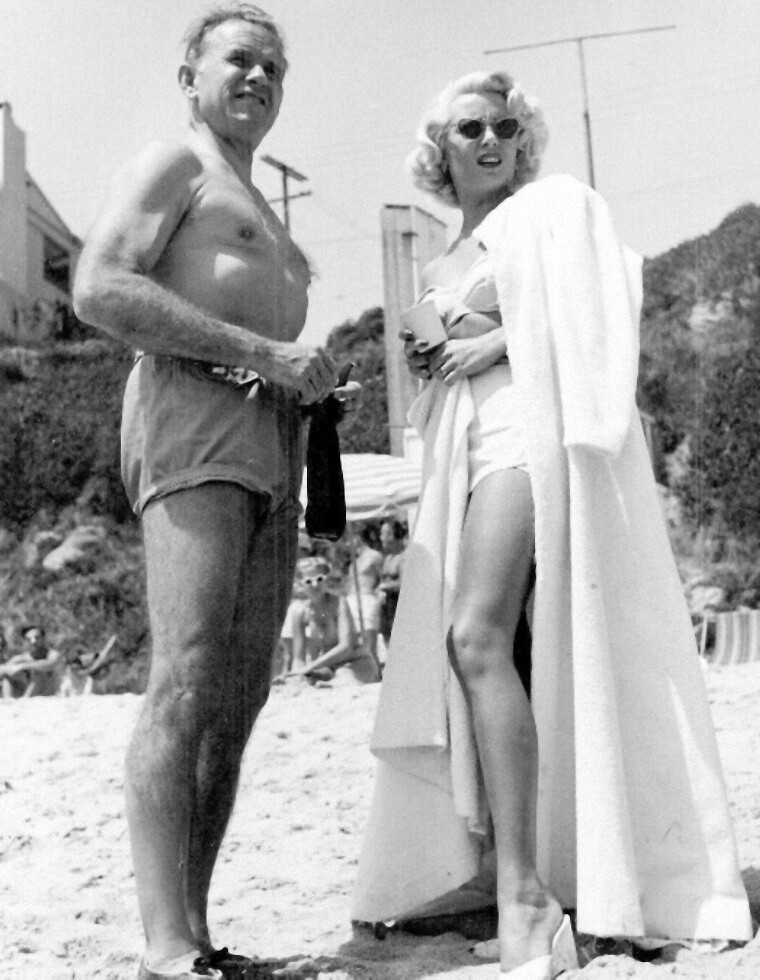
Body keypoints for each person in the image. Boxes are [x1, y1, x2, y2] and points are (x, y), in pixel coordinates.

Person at [351, 71, 752, 978]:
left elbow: (610, 300)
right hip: (463, 450)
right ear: (439, 149)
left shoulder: (553, 206)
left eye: (504, 125)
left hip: (526, 436)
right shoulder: (441, 263)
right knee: (511, 654)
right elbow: (441, 374)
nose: (492, 140)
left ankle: (526, 898)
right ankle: (523, 873)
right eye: (470, 129)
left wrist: (494, 340)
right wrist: (434, 360)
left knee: (475, 636)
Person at [72, 6, 357, 979]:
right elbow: (99, 287)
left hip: (272, 435)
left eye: (274, 66)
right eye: (240, 59)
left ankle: (194, 935)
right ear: (189, 74)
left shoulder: (258, 199)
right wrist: (262, 351)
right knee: (188, 675)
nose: (260, 77)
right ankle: (163, 945)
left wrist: (303, 379)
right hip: (193, 411)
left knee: (240, 691)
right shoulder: (175, 163)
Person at [287, 557, 378, 683]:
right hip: (326, 666)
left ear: (327, 579)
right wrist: (297, 675)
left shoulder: (339, 604)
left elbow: (346, 646)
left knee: (343, 677)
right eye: (308, 581)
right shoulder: (300, 613)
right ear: (300, 584)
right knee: (303, 681)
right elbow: (298, 658)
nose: (315, 585)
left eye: (319, 579)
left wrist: (311, 666)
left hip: (354, 661)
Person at [345, 526, 383, 664]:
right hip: (351, 599)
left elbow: (383, 578)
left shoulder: (374, 556)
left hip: (367, 599)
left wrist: (379, 596)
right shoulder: (354, 561)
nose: (347, 544)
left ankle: (376, 671)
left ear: (357, 538)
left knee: (369, 641)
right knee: (354, 641)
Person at [0, 625, 64, 698]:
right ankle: (8, 700)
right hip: (29, 698)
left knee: (38, 671)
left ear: (44, 638)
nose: (33, 641)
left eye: (37, 638)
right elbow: (3, 669)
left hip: (52, 698)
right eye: (29, 639)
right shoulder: (21, 658)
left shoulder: (53, 654)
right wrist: (9, 669)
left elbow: (50, 664)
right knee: (7, 676)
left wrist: (21, 666)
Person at [377, 517, 407, 649]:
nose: (381, 538)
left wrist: (384, 587)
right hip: (387, 608)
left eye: (384, 534)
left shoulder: (404, 557)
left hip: (399, 607)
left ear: (394, 535)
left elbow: (405, 584)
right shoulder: (388, 558)